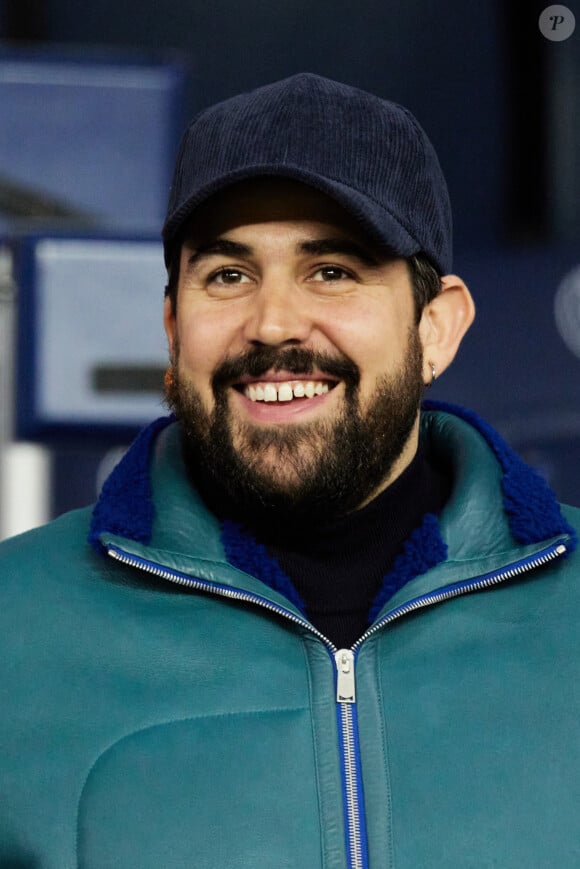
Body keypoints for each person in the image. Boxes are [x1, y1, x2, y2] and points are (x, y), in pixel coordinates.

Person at [0, 73, 578, 869]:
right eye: (228, 276)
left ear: (434, 327)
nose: (272, 323)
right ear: (172, 328)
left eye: (333, 270)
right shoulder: (16, 626)